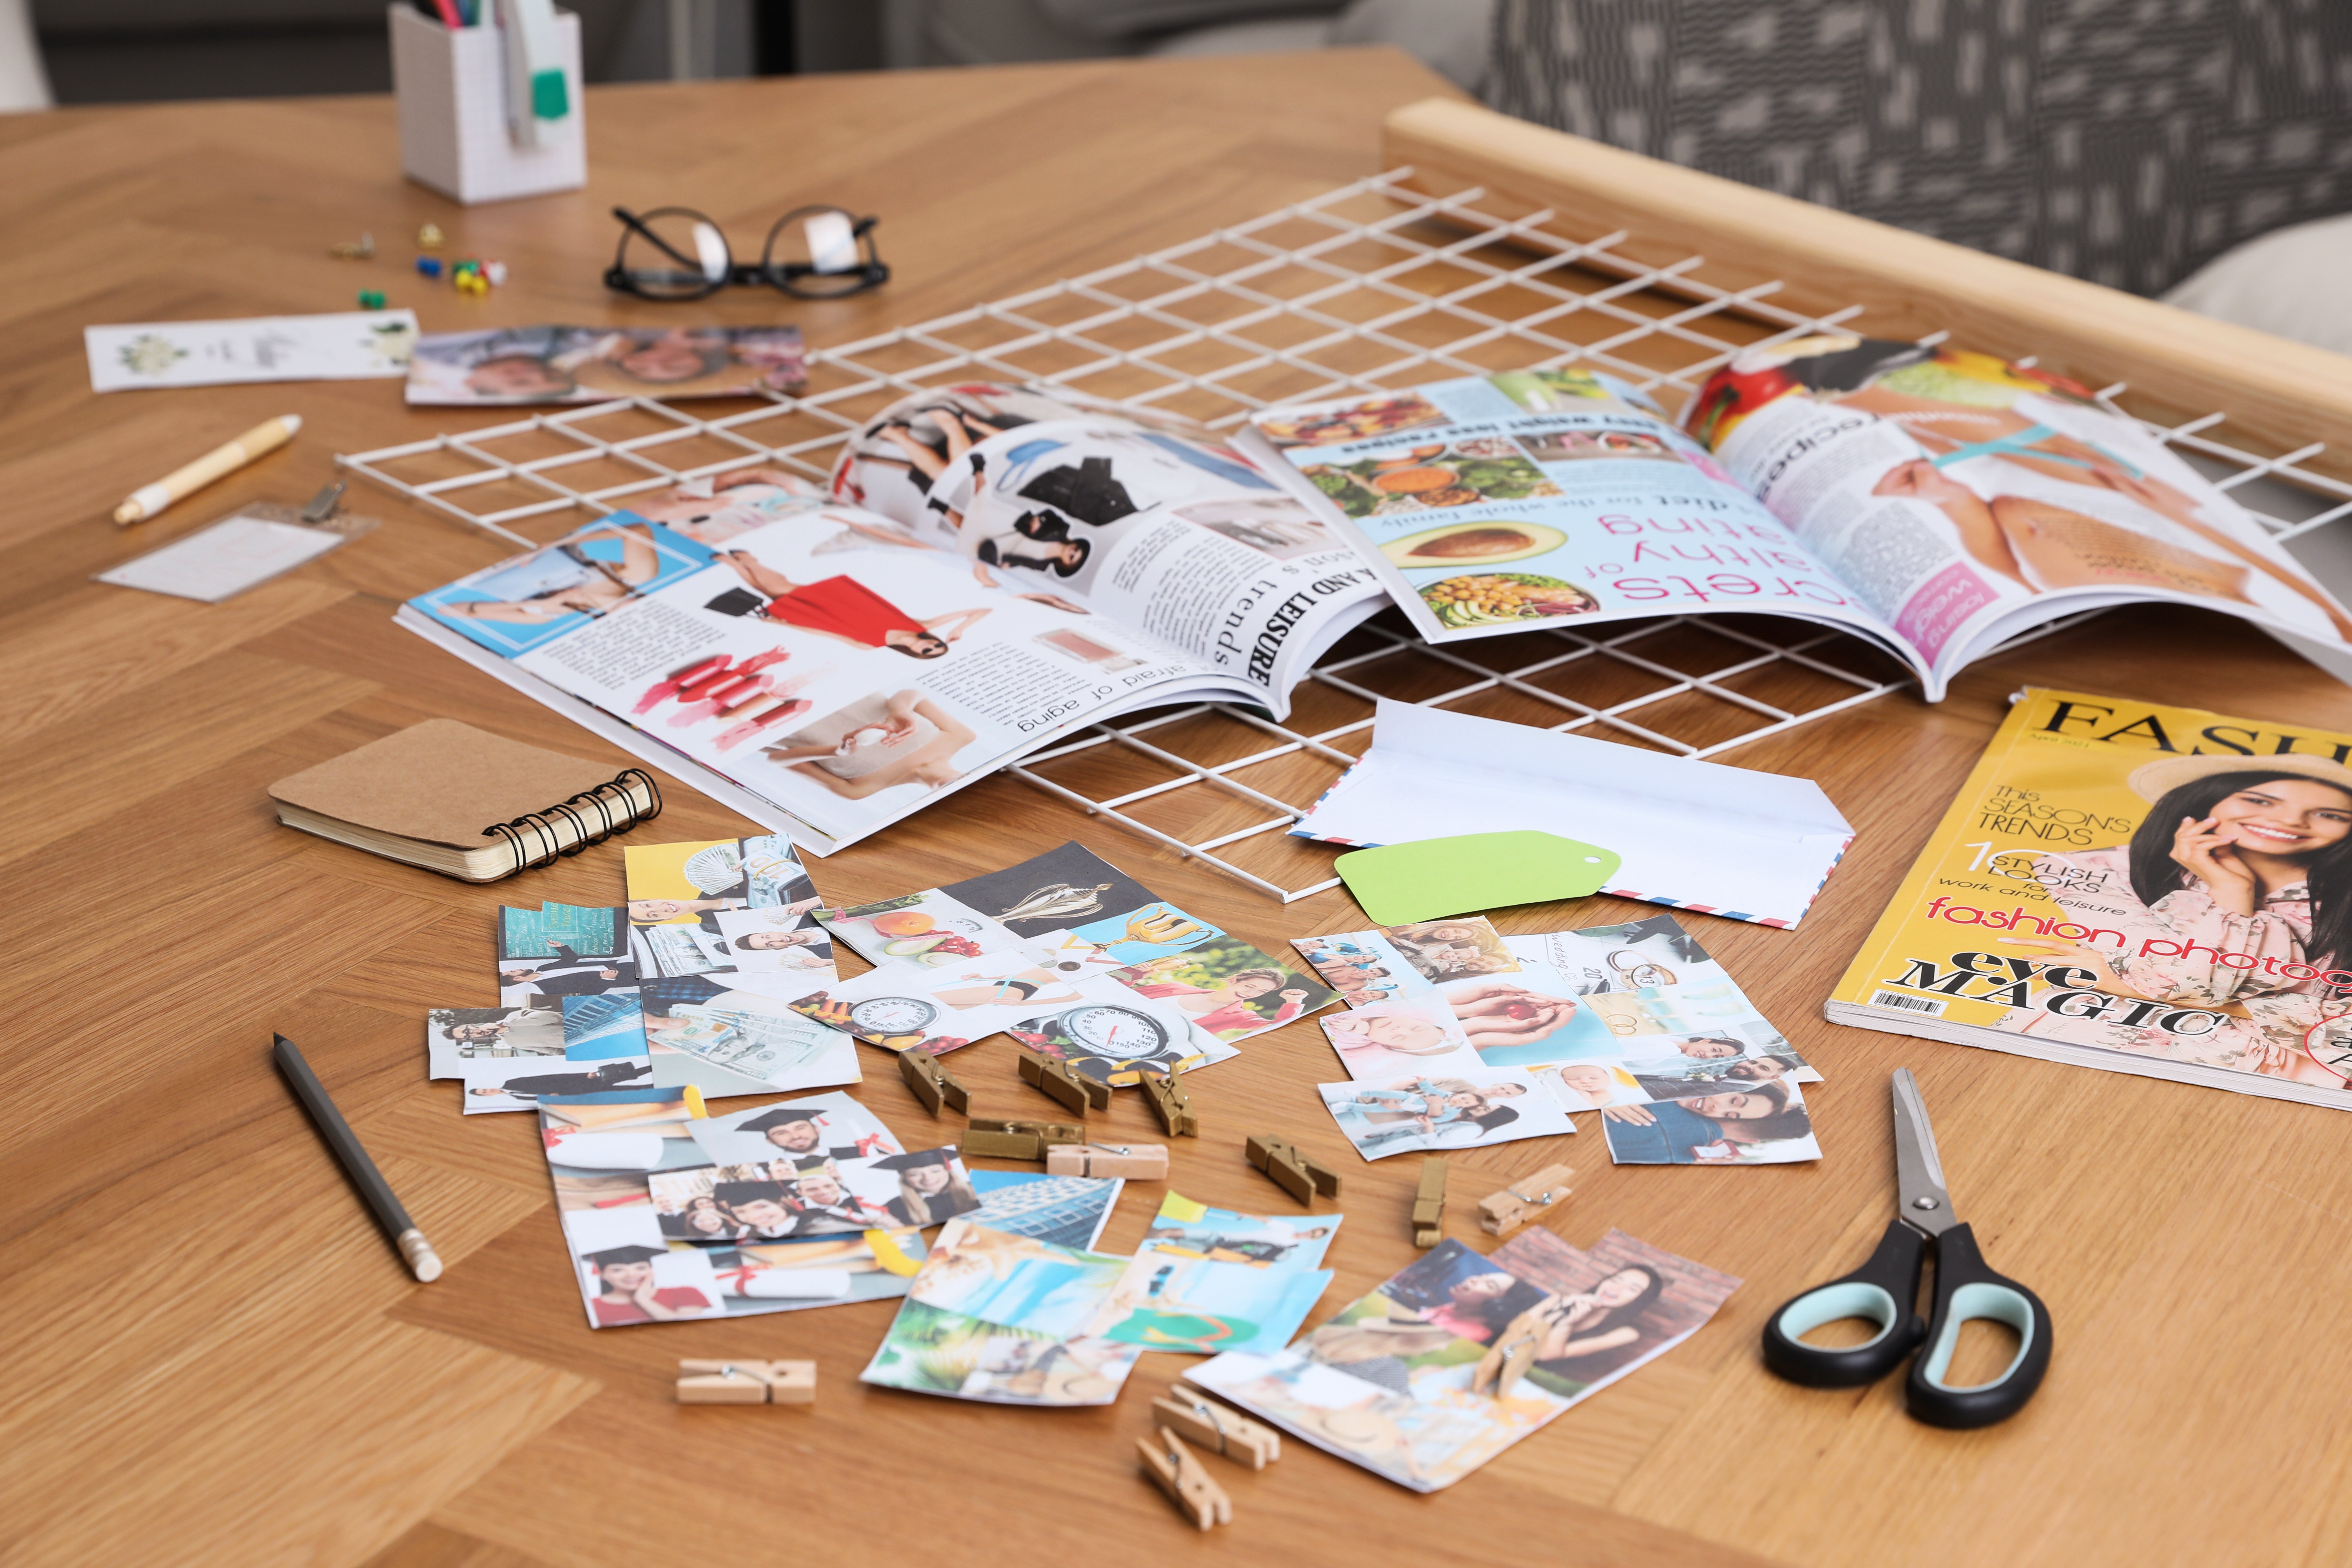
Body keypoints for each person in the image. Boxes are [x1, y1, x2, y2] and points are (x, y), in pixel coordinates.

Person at [1994, 755, 2352, 1082]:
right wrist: (2232, 890)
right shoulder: (2098, 869)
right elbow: (2185, 981)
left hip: (2256, 1082)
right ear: (2207, 798)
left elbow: (2344, 1031)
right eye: (2260, 801)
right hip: (2072, 1050)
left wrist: (2135, 984)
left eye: (2331, 814)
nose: (2291, 820)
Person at [762, 691, 981, 802]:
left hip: (770, 716)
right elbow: (911, 694)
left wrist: (834, 752)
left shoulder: (861, 790)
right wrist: (901, 711)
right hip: (831, 686)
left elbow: (776, 759)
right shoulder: (961, 737)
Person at [441, 525, 669, 626]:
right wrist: (559, 541)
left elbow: (447, 611)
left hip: (468, 561)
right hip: (529, 537)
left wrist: (538, 604)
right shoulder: (637, 576)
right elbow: (639, 531)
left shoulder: (548, 614)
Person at [1519, 1265, 1667, 1393]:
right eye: (1616, 1280)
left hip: (1537, 1382)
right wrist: (1557, 1310)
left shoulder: (1627, 1334)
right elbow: (1518, 1330)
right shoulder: (1560, 1300)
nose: (1617, 1288)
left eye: (1633, 1289)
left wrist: (1566, 1323)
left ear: (1640, 1301)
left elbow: (1545, 1356)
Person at [1600, 1084, 1811, 1162]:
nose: (1716, 1109)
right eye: (1734, 1101)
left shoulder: (1669, 1102)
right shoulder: (1685, 1158)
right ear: (1748, 1140)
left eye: (1732, 1114)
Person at [1120, 961, 1313, 1037]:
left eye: (1261, 992)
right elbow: (1115, 992)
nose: (1252, 993)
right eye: (1249, 986)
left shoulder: (1240, 1017)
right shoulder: (1177, 988)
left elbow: (1277, 1028)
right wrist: (1138, 974)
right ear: (1234, 980)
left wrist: (1293, 1003)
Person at [582, 1244, 713, 1325]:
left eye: (641, 1268)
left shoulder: (685, 1293)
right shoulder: (592, 1306)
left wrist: (643, 1300)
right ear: (601, 1274)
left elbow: (686, 1329)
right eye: (618, 1270)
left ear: (651, 1270)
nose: (631, 1275)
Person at [737, 1106, 888, 1162]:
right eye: (781, 1133)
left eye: (800, 1127)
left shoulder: (864, 1155)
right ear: (770, 1141)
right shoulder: (772, 1172)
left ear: (817, 1129)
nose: (796, 1136)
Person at [876, 1148, 979, 1227]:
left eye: (935, 1171)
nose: (928, 1178)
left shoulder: (974, 1190)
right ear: (905, 1179)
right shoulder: (895, 1207)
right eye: (914, 1174)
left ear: (947, 1170)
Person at [470, 1059, 651, 1100]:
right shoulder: (517, 1097)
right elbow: (543, 1100)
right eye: (485, 1094)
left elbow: (551, 1077)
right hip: (578, 1093)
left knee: (628, 1075)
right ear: (488, 1097)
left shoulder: (513, 1083)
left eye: (485, 1089)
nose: (489, 1091)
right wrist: (551, 1097)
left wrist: (582, 1075)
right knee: (624, 1091)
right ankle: (654, 1086)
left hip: (584, 1082)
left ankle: (653, 1068)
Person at [785, 1168, 896, 1234]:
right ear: (800, 1193)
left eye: (828, 1186)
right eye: (812, 1189)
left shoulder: (862, 1197)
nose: (823, 1192)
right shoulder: (796, 1211)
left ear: (839, 1185)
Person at [711, 1179, 803, 1240]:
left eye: (762, 1207)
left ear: (782, 1203)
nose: (754, 1216)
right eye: (740, 1212)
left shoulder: (811, 1228)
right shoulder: (751, 1234)